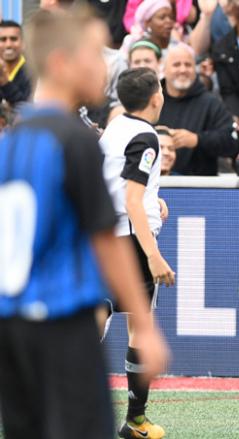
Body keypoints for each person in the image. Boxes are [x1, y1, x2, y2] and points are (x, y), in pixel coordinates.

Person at [0, 8, 168, 439]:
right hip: (62, 324)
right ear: (61, 63)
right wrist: (146, 327)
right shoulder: (74, 141)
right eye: (95, 54)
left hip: (14, 327)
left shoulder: (13, 140)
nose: (106, 66)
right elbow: (105, 238)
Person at [99, 67, 174, 439]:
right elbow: (130, 199)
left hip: (102, 232)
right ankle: (136, 420)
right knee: (139, 326)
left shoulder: (116, 126)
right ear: (156, 97)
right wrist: (153, 255)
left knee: (96, 313)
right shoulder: (146, 136)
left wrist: (151, 198)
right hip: (129, 238)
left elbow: (121, 184)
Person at [159, 44, 239, 175]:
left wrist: (197, 140)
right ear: (164, 69)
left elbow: (231, 143)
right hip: (153, 184)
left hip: (198, 186)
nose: (183, 69)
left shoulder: (211, 103)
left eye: (188, 65)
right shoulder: (153, 100)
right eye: (176, 65)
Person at [0, 21, 31, 106]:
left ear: (23, 43)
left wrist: (5, 84)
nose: (8, 45)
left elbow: (29, 109)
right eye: (3, 39)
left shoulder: (33, 73)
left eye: (13, 39)